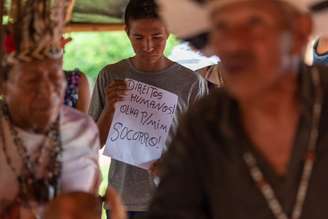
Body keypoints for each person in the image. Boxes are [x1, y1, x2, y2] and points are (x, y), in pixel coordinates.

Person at [108, 0, 328, 218]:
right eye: (221, 27)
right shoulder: (207, 119)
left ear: (301, 30)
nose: (231, 43)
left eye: (254, 23)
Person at [89, 0, 208, 218]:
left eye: (156, 37)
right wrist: (110, 110)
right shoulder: (110, 75)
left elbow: (204, 148)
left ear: (169, 31)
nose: (147, 46)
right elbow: (91, 144)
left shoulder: (191, 83)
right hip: (123, 200)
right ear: (127, 32)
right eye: (138, 37)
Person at [0, 0, 100, 218]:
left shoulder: (84, 129)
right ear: (5, 85)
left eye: (55, 77)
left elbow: (90, 203)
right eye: (32, 80)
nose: (47, 91)